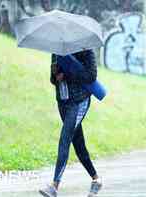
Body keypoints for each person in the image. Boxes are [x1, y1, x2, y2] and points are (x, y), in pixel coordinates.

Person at [39, 49, 102, 197]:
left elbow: (91, 76)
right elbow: (53, 79)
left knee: (65, 138)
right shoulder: (56, 50)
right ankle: (96, 179)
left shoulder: (85, 50)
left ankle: (54, 186)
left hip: (79, 101)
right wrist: (56, 75)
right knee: (78, 143)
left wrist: (68, 73)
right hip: (63, 102)